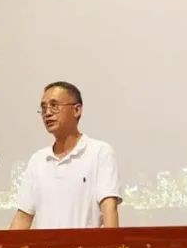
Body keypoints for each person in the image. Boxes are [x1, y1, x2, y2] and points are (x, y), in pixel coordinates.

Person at [9, 81, 122, 229]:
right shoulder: (38, 160)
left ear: (76, 110)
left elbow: (109, 210)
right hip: (46, 245)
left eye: (54, 106)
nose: (47, 113)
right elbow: (22, 218)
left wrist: (112, 243)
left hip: (84, 245)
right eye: (43, 108)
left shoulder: (99, 152)